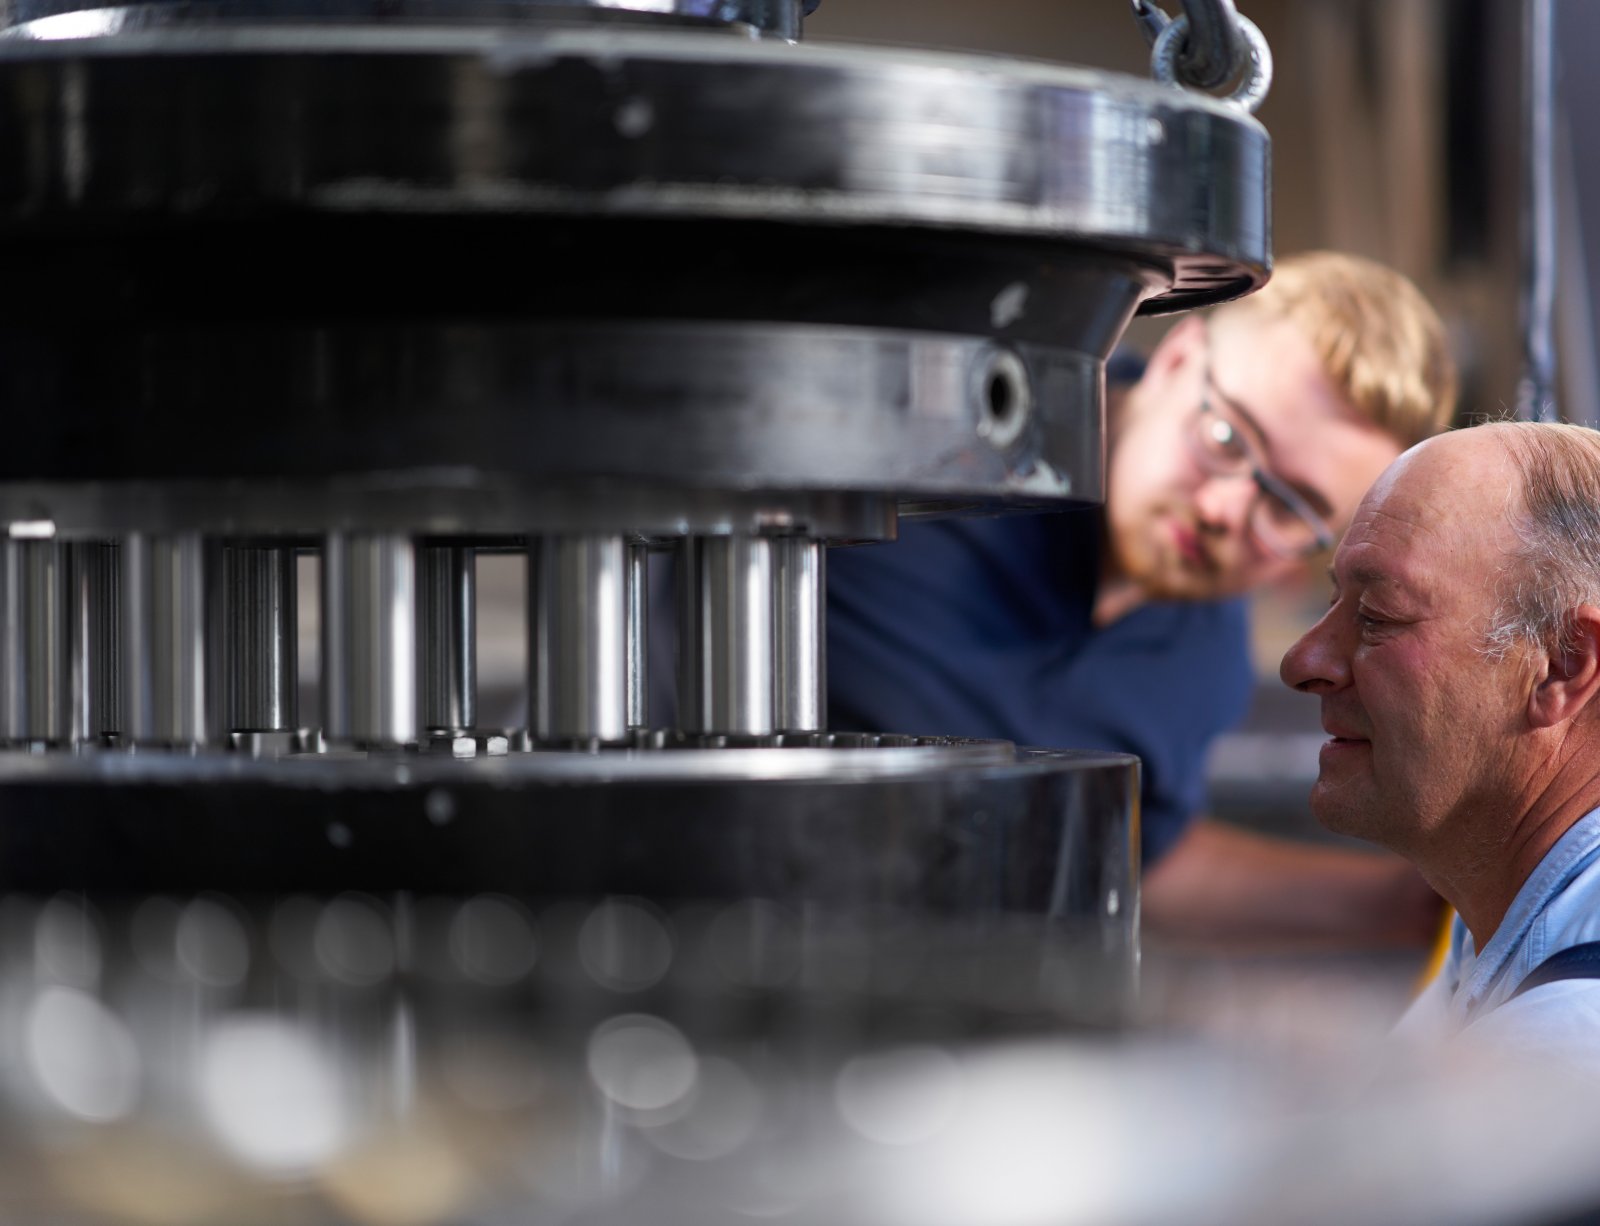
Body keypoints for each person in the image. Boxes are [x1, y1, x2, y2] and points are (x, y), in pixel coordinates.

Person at [827, 251, 1458, 946]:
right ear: (1177, 359)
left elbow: (1136, 855)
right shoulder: (936, 430)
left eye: (1288, 507)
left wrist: (1408, 906)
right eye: (1225, 438)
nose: (1223, 508)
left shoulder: (1201, 668)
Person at [1281, 422, 1600, 1053]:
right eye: (1335, 602)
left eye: (1376, 619)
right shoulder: (1496, 899)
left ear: (1561, 664)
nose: (1304, 661)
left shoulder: (1559, 1045)